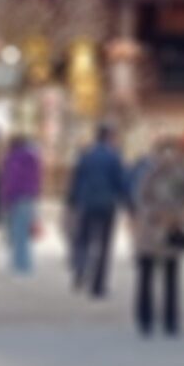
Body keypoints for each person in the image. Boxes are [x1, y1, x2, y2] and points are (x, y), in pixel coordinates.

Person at [128, 137, 184, 337]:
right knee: (146, 276)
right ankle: (145, 318)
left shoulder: (183, 177)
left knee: (171, 278)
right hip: (150, 230)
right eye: (163, 153)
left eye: (171, 153)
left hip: (172, 229)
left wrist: (179, 217)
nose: (167, 157)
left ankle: (171, 319)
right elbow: (139, 199)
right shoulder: (147, 175)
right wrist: (152, 214)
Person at [66, 121, 128, 298]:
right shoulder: (114, 156)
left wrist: (72, 200)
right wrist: (127, 201)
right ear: (109, 136)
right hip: (107, 204)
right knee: (104, 245)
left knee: (83, 239)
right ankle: (98, 284)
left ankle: (80, 272)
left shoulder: (86, 154)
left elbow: (76, 178)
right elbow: (120, 181)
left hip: (86, 202)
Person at [0, 129, 42, 274]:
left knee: (17, 232)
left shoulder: (13, 158)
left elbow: (11, 180)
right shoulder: (33, 157)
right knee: (24, 232)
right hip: (29, 196)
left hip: (16, 197)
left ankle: (19, 264)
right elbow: (36, 178)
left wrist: (5, 198)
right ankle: (25, 263)